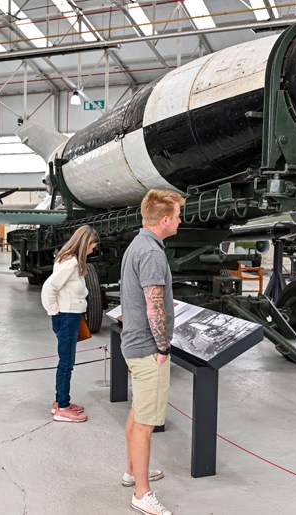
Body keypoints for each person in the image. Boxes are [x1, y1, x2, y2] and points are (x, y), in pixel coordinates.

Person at [120, 189, 185, 515]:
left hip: (133, 343)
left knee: (138, 411)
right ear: (164, 220)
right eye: (176, 215)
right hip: (147, 348)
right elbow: (153, 304)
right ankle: (142, 494)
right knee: (146, 423)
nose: (179, 220)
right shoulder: (152, 253)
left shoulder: (139, 244)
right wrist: (162, 346)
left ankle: (133, 472)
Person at [41, 225, 100, 423]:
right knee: (66, 364)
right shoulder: (71, 263)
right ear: (84, 244)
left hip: (69, 316)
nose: (93, 249)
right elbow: (49, 287)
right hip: (67, 317)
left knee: (66, 362)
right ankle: (62, 408)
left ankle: (61, 401)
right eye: (92, 245)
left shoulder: (69, 260)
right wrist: (54, 312)